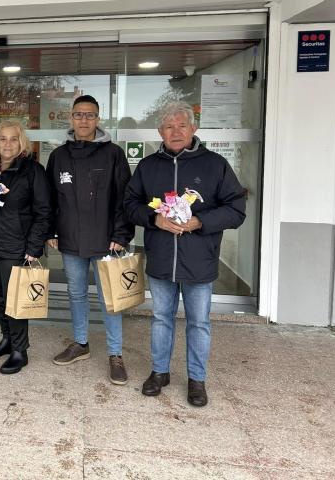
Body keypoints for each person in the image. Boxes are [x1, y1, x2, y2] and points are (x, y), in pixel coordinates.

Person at [124, 101, 245, 407]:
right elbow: (129, 204)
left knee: (199, 322)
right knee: (161, 318)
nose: (175, 131)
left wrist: (200, 222)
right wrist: (155, 219)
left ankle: (196, 379)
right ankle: (160, 372)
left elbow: (236, 209)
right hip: (162, 257)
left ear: (194, 129)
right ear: (160, 131)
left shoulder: (215, 164)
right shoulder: (149, 166)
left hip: (199, 258)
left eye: (181, 125)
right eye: (168, 126)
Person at [46, 95, 135, 385]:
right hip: (70, 239)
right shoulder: (59, 156)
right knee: (76, 294)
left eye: (90, 115)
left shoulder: (113, 154)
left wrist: (121, 234)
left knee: (111, 299)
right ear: (70, 118)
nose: (84, 120)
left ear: (98, 119)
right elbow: (50, 199)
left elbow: (125, 198)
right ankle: (81, 343)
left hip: (107, 241)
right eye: (79, 114)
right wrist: (51, 231)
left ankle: (115, 353)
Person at [0, 121, 51, 374]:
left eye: (13, 139)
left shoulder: (32, 171)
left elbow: (44, 211)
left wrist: (34, 247)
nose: (7, 144)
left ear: (21, 142)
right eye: (2, 139)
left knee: (15, 300)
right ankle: (7, 340)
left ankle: (20, 350)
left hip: (17, 246)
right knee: (0, 296)